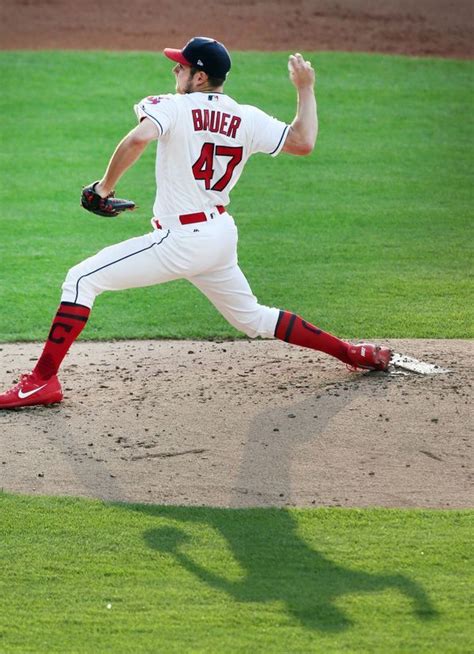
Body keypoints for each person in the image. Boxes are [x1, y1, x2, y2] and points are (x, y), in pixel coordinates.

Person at [0, 37, 391, 409]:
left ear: (199, 77)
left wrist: (103, 189)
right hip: (219, 236)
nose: (175, 69)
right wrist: (305, 88)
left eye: (182, 65)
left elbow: (138, 139)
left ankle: (42, 380)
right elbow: (304, 141)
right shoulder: (247, 117)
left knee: (82, 279)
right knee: (252, 317)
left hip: (181, 240)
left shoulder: (171, 106)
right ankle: (351, 353)